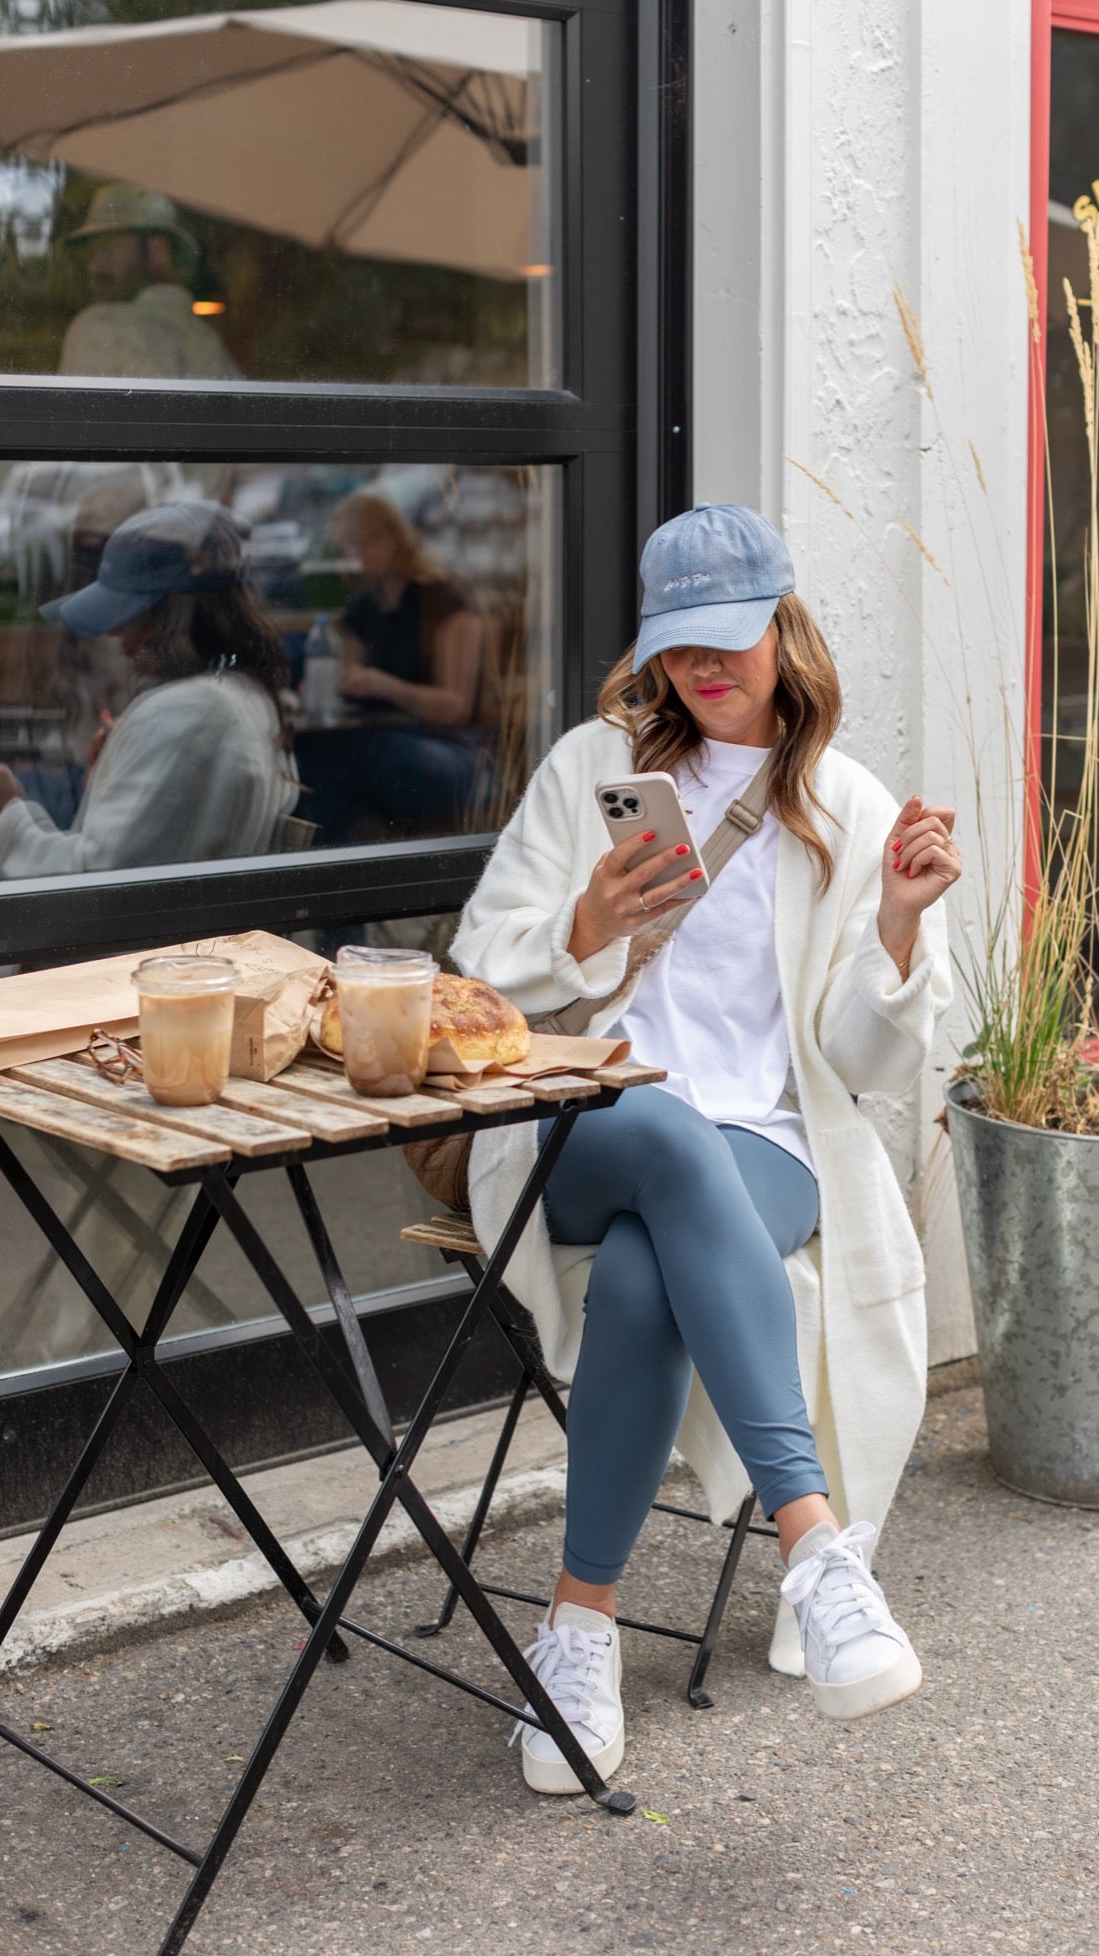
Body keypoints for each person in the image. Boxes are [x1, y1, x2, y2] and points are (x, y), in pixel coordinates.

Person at [451, 502, 961, 1794]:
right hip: (587, 1119)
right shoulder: (594, 768)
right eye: (680, 649)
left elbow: (859, 1061)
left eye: (728, 643)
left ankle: (577, 1630)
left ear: (785, 630)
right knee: (666, 1128)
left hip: (770, 1146)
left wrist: (897, 927)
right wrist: (585, 922)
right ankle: (816, 1546)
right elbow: (479, 969)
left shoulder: (844, 804)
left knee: (641, 1273)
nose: (703, 671)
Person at [0, 502, 297, 878]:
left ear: (177, 613)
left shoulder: (186, 714)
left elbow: (97, 883)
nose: (114, 632)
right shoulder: (241, 694)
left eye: (132, 612)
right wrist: (127, 750)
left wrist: (3, 812)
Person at [295, 491, 485, 842]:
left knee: (344, 756)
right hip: (386, 739)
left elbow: (455, 709)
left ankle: (338, 852)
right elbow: (350, 680)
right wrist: (330, 685)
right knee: (315, 750)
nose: (356, 558)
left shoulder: (443, 602)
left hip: (452, 751)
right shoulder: (364, 607)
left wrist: (384, 685)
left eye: (364, 544)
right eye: (348, 549)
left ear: (395, 538)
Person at [58, 184, 240, 381]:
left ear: (157, 250)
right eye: (92, 252)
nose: (94, 267)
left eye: (108, 246)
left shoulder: (98, 325)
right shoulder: (208, 343)